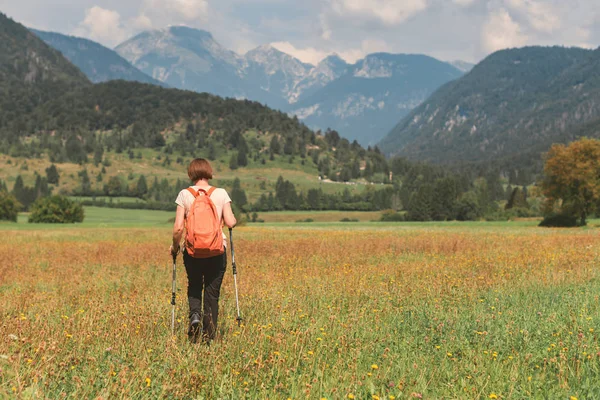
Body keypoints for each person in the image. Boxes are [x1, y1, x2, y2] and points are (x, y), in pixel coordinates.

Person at [169, 158, 237, 343]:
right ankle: (209, 337)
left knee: (194, 285)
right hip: (216, 250)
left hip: (192, 252)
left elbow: (177, 228)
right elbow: (230, 222)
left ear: (191, 174)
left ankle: (195, 317)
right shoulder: (221, 193)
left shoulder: (184, 194)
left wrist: (175, 247)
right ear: (209, 172)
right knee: (212, 293)